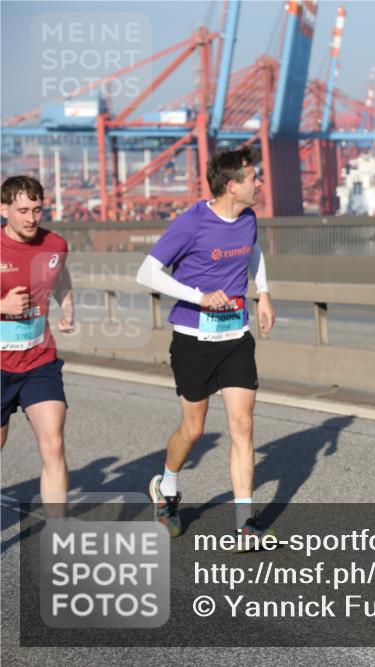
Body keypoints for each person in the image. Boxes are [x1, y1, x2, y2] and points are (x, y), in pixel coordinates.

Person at [135, 146, 275, 545]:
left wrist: (263, 293)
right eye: (253, 178)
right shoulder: (192, 222)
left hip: (235, 337)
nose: (259, 183)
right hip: (193, 340)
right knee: (193, 429)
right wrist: (197, 296)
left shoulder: (247, 217)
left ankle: (244, 523)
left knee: (243, 425)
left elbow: (254, 250)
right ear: (232, 186)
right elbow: (147, 272)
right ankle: (167, 488)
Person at [1, 175, 74, 513]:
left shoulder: (55, 245)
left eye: (37, 209)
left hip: (39, 361)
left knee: (54, 445)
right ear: (4, 209)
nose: (31, 218)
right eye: (22, 210)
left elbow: (60, 275)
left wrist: (67, 303)